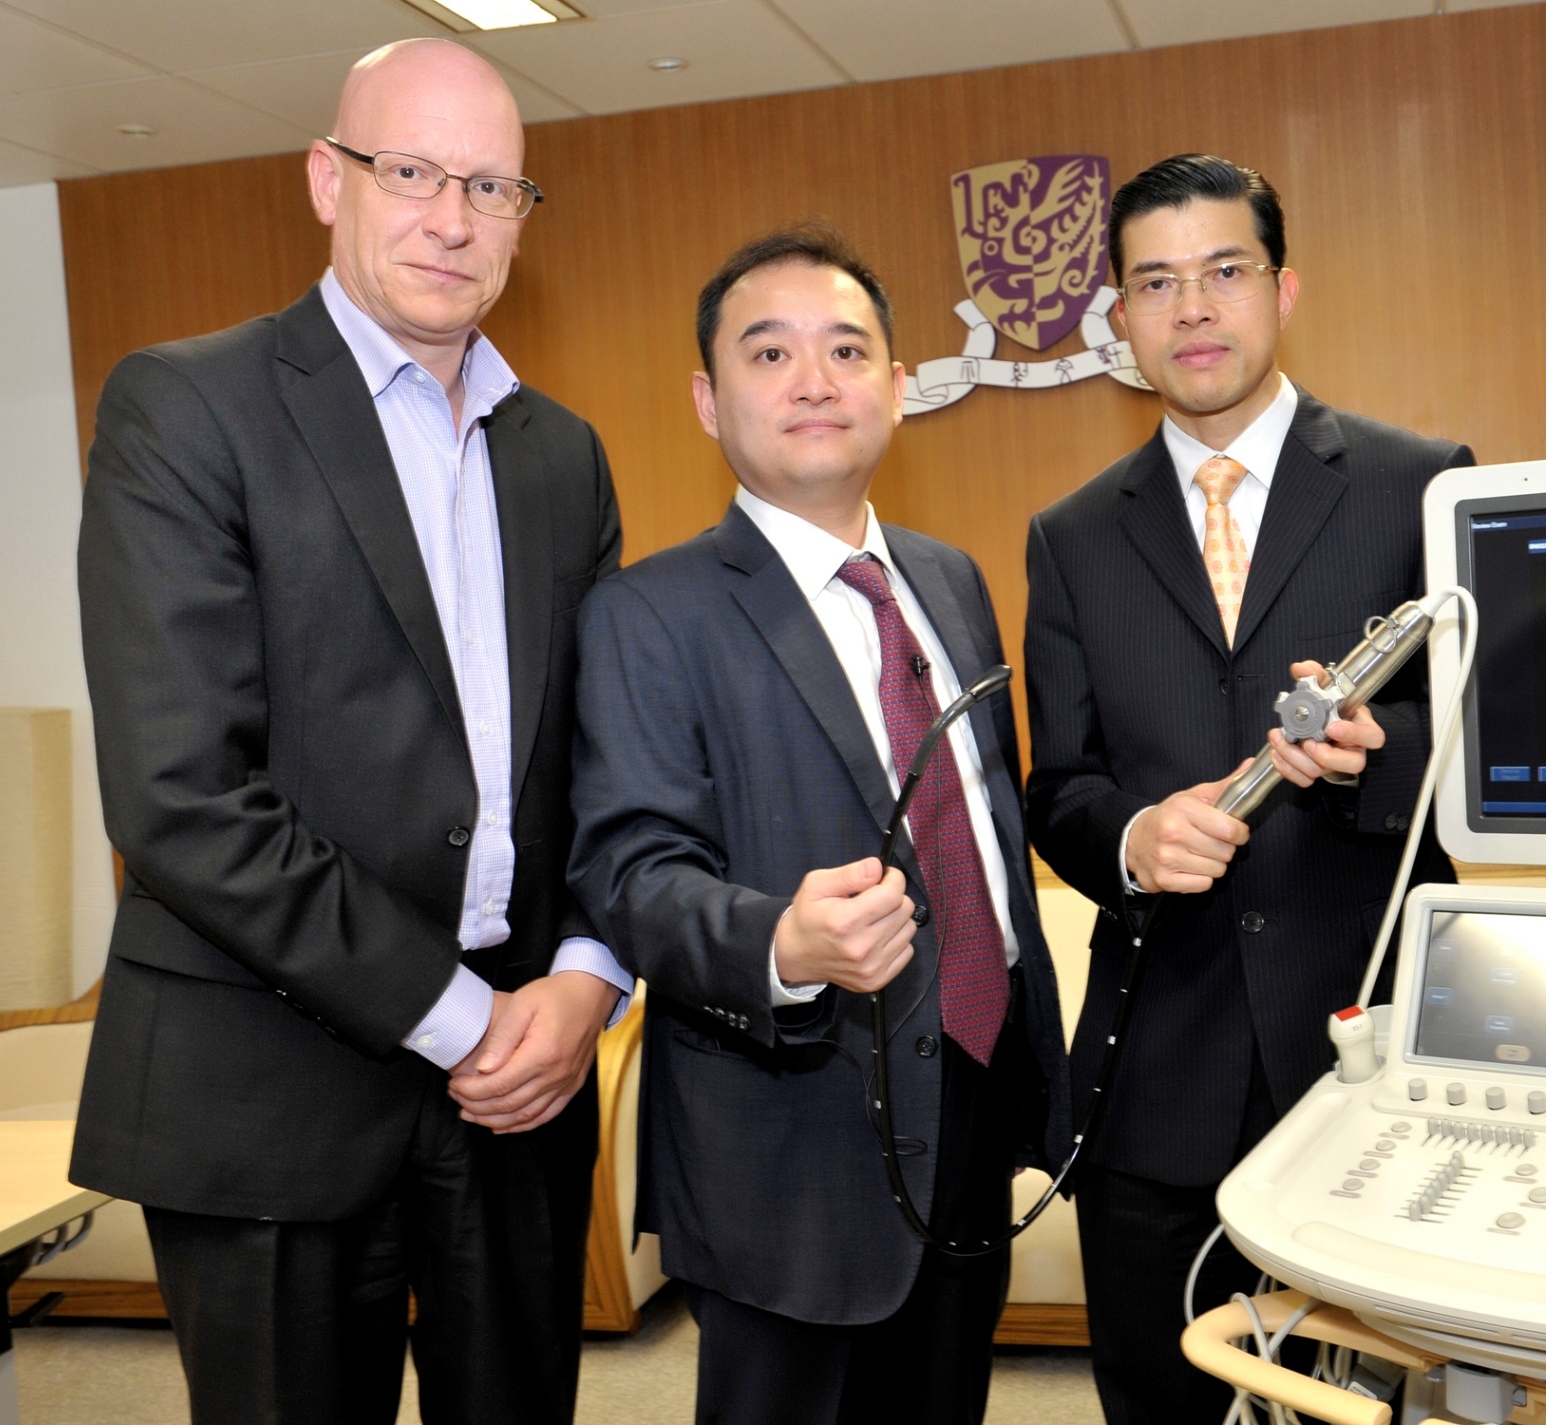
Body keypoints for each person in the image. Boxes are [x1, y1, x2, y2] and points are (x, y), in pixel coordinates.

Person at [72, 39, 630, 1425]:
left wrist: (583, 978)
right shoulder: (187, 407)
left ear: (521, 216)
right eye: (413, 173)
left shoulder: (564, 455)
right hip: (269, 1088)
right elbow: (181, 796)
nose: (452, 217)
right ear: (328, 180)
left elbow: (609, 767)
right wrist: (464, 1023)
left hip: (525, 1087)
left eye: (492, 186)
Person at [568, 225, 1072, 1425]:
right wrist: (779, 946)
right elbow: (628, 870)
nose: (813, 380)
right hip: (787, 1146)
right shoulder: (648, 613)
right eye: (770, 352)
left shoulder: (949, 579)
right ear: (707, 399)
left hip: (968, 1096)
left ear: (898, 389)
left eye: (847, 349)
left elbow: (989, 828)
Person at [1023, 154, 1476, 1422]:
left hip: (1366, 1058)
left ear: (1282, 289)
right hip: (1153, 1070)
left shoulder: (1419, 484)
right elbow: (1055, 787)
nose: (1193, 309)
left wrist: (1377, 764)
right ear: (1119, 319)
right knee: (1157, 1401)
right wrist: (1126, 838)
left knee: (1379, 1403)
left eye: (1224, 272)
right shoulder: (1067, 536)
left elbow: (1474, 758)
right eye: (1155, 283)